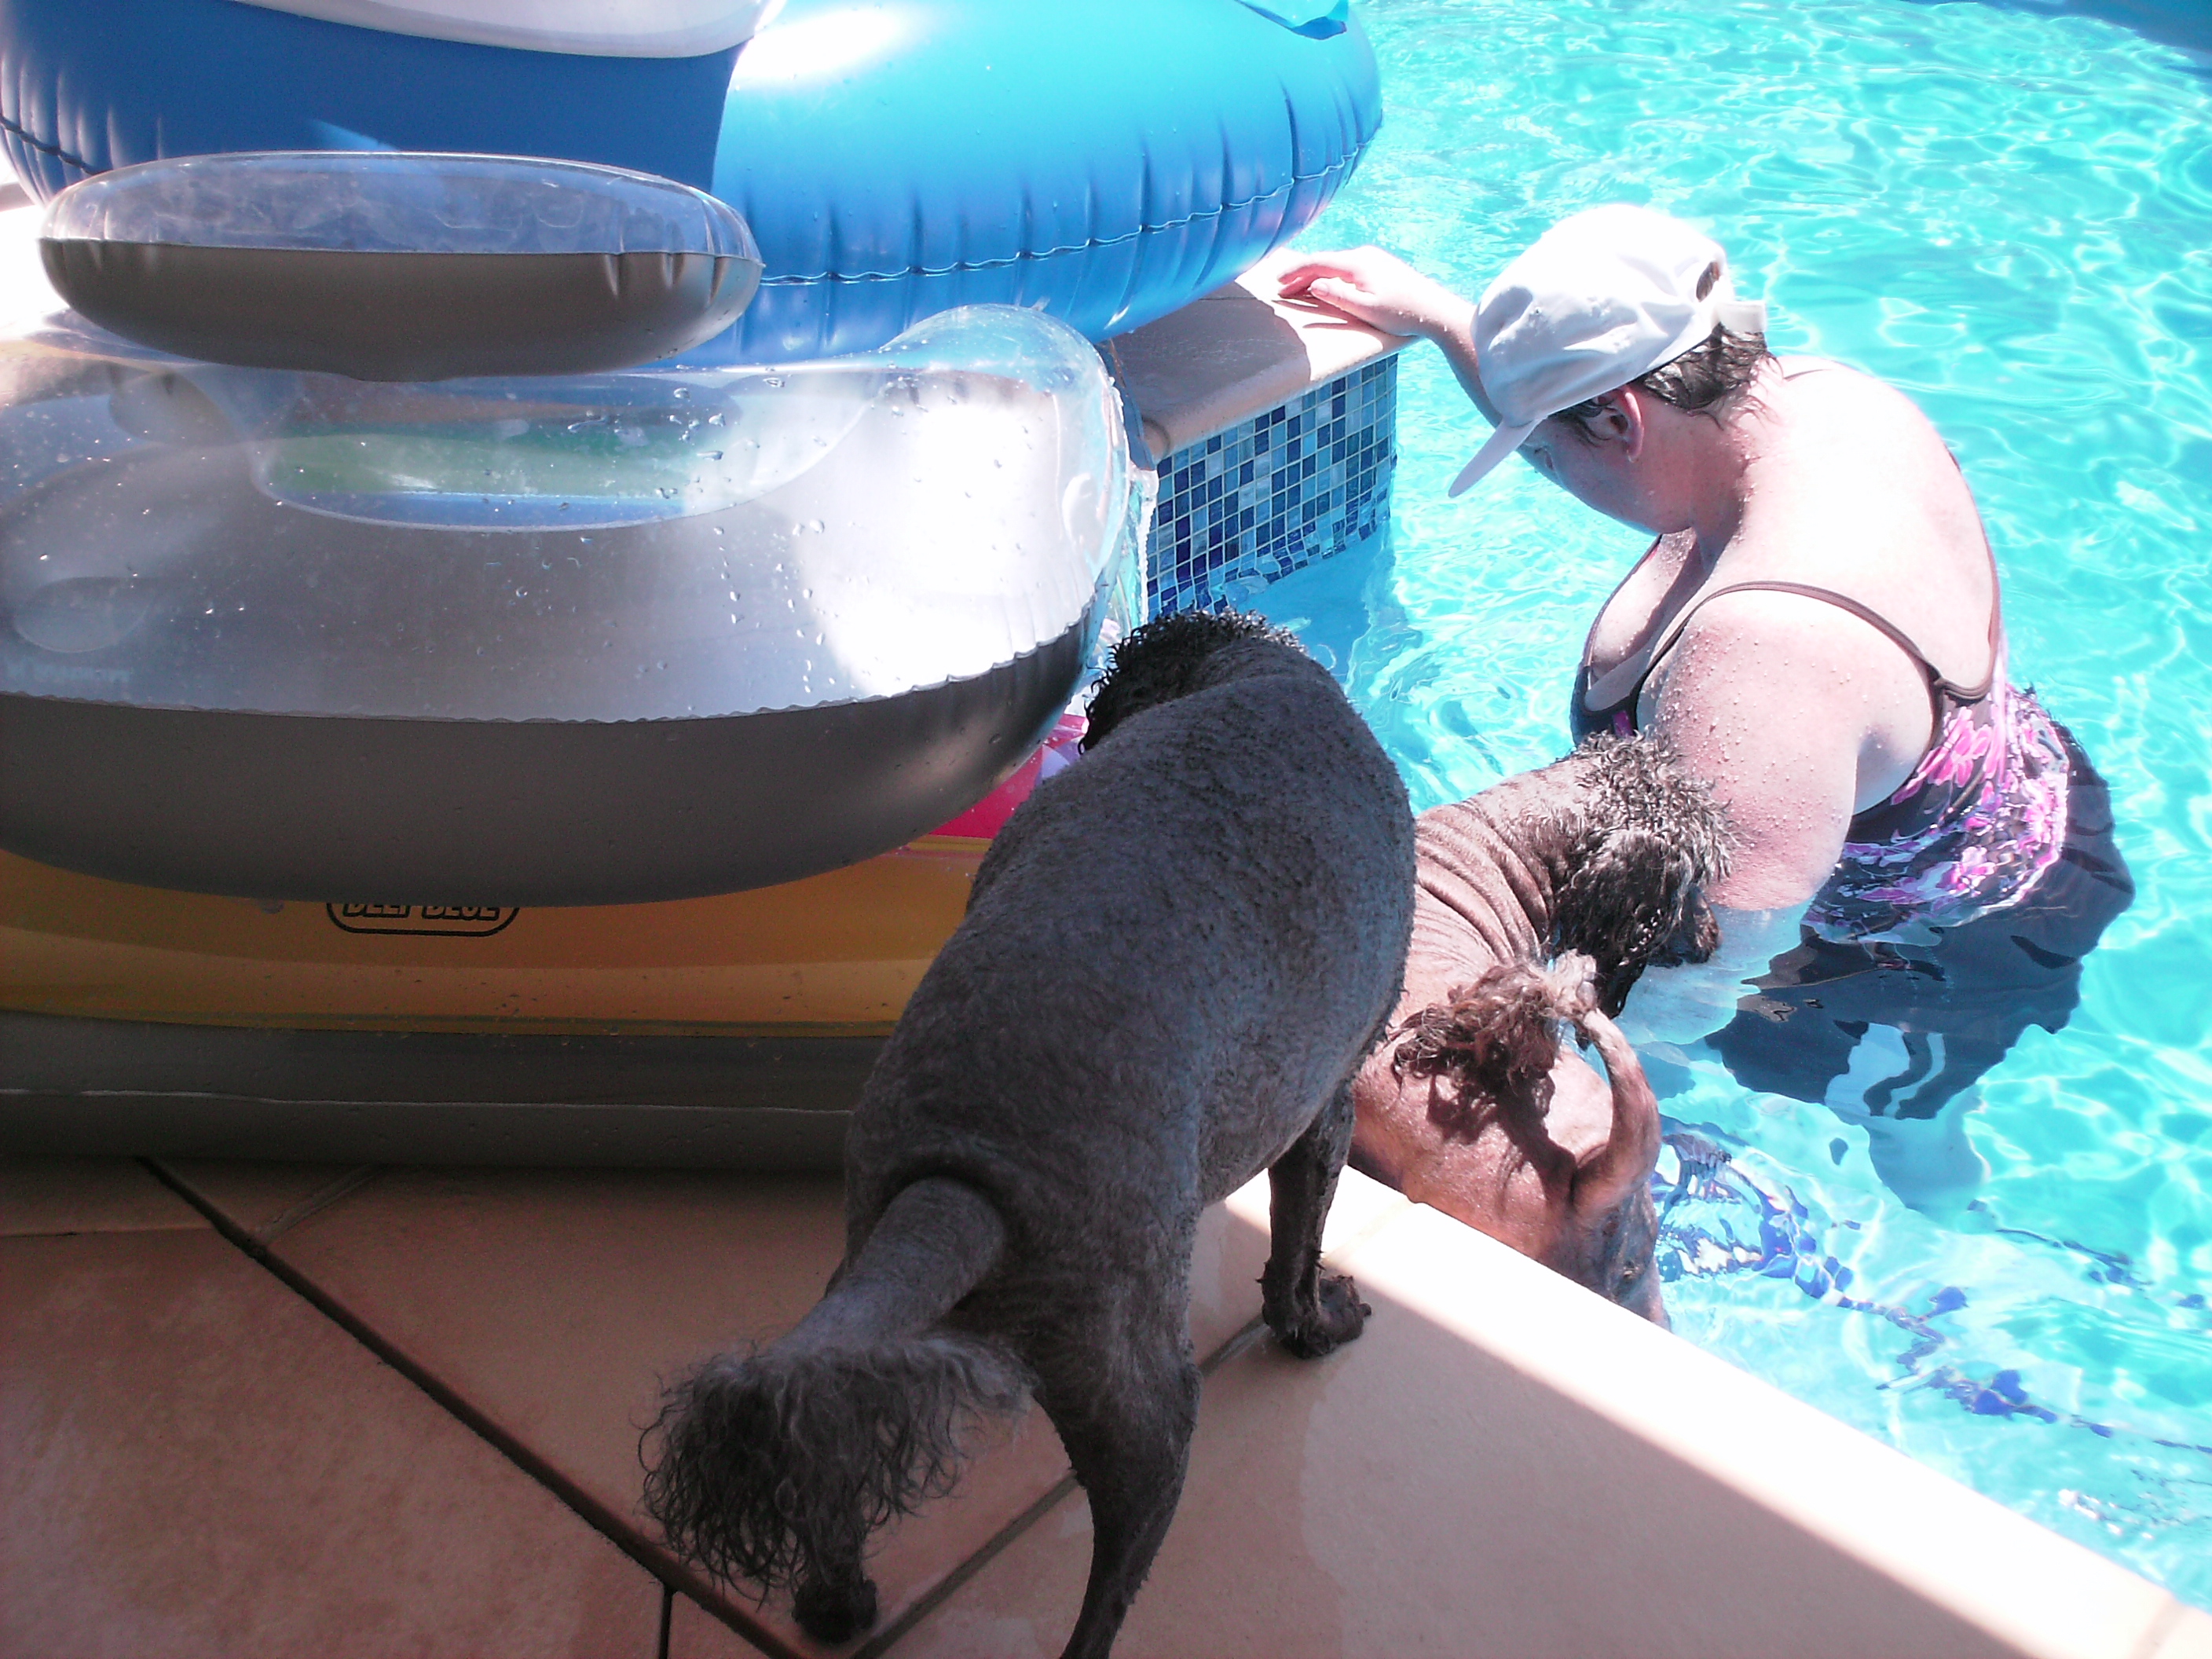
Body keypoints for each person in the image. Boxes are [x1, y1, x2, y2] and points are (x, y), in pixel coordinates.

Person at [1279, 206, 2133, 1214]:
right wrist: (1441, 319)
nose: (1548, 472)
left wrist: (1527, 1109)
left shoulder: (1762, 660)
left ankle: (1952, 1258)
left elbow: (1700, 978)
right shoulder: (1822, 402)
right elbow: (1612, 418)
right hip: (2025, 808)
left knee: (1906, 1143)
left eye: (1543, 452)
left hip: (1913, 966)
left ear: (1618, 420)